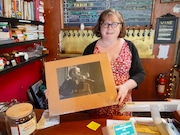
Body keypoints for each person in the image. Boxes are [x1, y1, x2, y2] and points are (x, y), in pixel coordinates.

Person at [83, 9, 145, 116]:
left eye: (114, 24)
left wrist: (125, 86)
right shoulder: (90, 49)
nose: (109, 28)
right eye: (105, 23)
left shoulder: (129, 47)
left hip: (122, 104)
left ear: (121, 26)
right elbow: (80, 77)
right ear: (100, 26)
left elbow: (140, 73)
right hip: (97, 105)